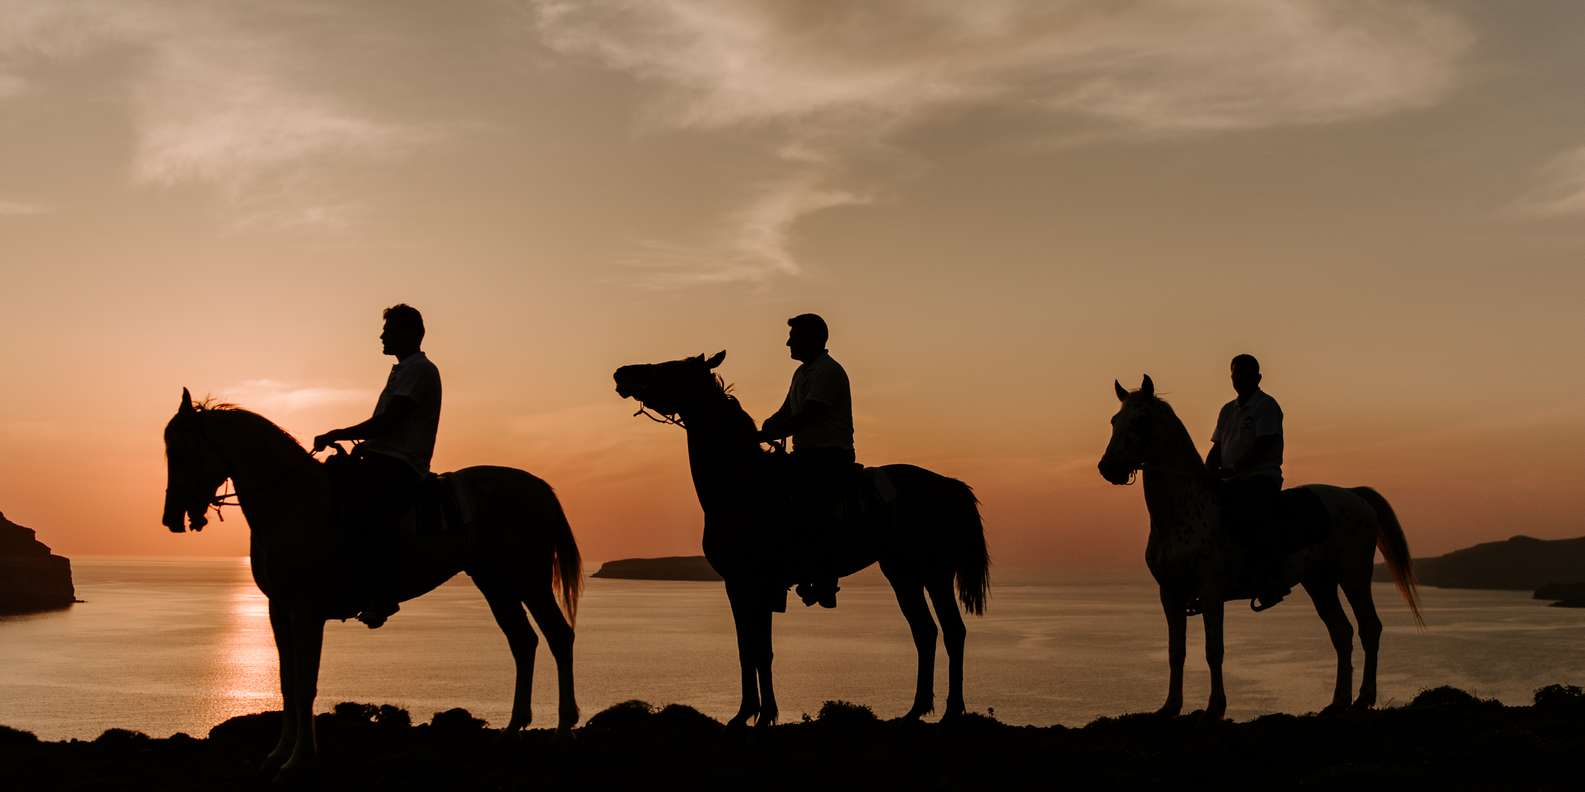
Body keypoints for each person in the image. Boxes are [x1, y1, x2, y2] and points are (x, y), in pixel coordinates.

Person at [313, 304, 442, 628]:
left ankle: (382, 593)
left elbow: (387, 422)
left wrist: (339, 433)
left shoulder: (418, 370)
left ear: (410, 333)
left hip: (400, 464)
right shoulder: (402, 370)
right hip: (381, 457)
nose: (381, 335)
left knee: (364, 509)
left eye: (389, 330)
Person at [759, 313, 855, 609]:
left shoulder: (828, 372)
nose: (788, 342)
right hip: (806, 455)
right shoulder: (802, 374)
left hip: (828, 456)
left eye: (794, 337)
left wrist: (774, 430)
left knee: (811, 506)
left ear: (812, 339)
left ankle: (825, 579)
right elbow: (786, 411)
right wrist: (763, 428)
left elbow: (808, 415)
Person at [1206, 353, 1287, 610]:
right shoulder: (1227, 410)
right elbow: (1217, 447)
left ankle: (1267, 579)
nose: (1238, 379)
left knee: (1248, 516)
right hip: (1231, 480)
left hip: (1260, 478)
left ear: (1257, 377)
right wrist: (1205, 473)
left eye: (1244, 374)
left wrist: (1235, 469)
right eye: (1235, 375)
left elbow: (1264, 445)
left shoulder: (1266, 406)